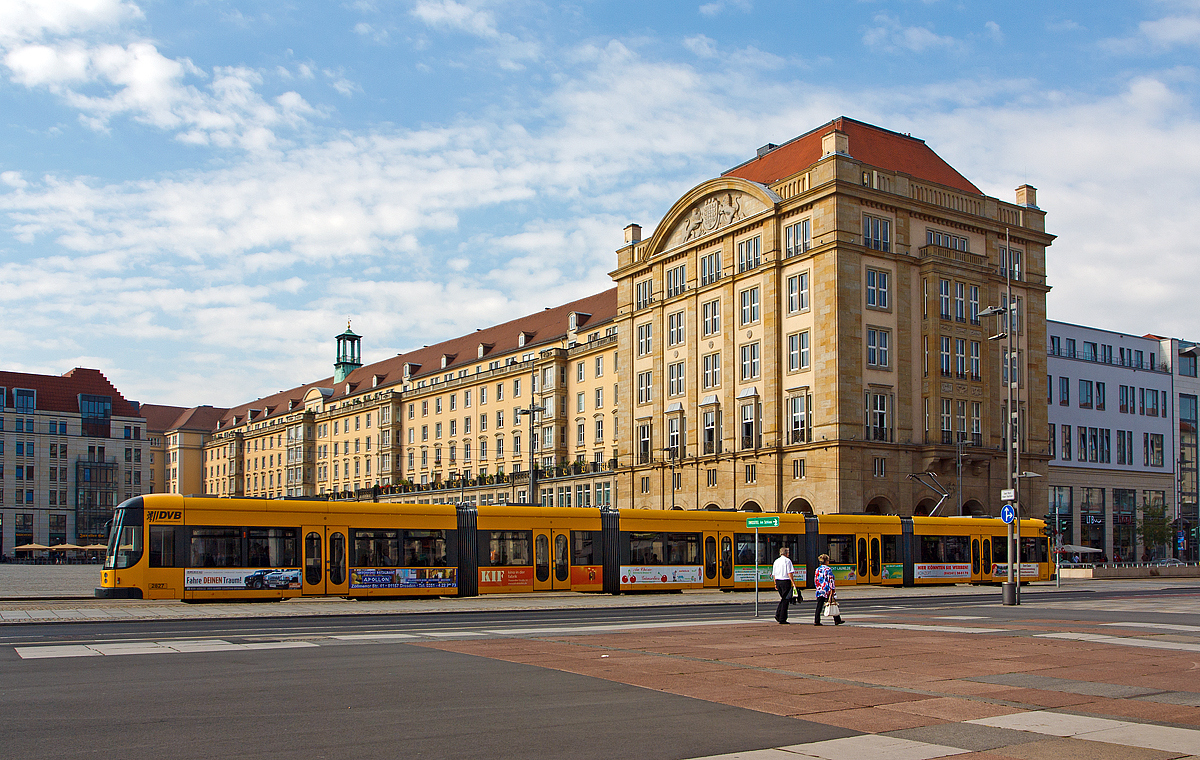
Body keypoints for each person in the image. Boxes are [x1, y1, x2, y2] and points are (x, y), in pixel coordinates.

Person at [813, 554, 844, 626]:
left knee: (819, 606)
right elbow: (831, 580)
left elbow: (816, 580)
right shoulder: (828, 569)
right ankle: (837, 620)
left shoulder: (817, 569)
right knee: (832, 602)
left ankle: (816, 620)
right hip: (827, 590)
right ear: (826, 561)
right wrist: (832, 589)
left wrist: (818, 587)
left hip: (820, 590)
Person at [772, 547, 797, 624]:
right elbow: (790, 573)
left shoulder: (776, 561)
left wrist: (775, 583)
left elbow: (774, 574)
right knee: (786, 600)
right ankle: (781, 618)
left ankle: (779, 615)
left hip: (778, 581)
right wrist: (793, 582)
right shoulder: (788, 561)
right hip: (785, 581)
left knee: (784, 598)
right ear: (786, 553)